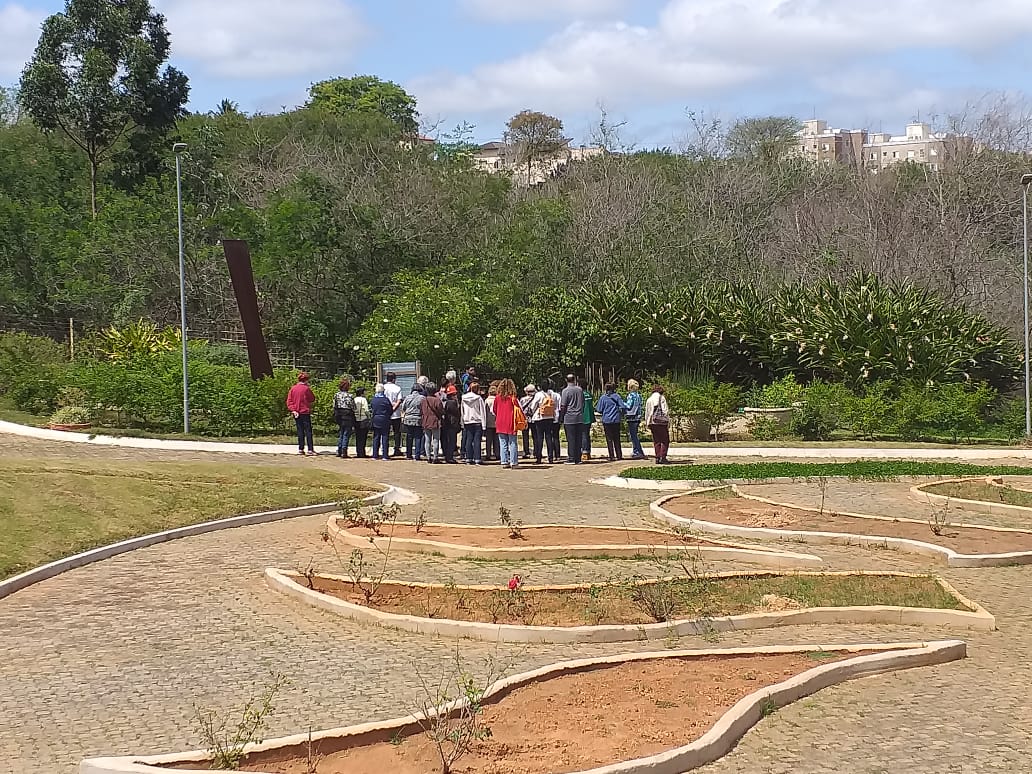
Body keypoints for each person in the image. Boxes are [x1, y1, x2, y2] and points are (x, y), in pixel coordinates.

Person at [493, 378, 522, 469]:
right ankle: (513, 462)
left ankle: (504, 461)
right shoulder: (513, 398)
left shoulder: (497, 398)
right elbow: (518, 410)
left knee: (503, 443)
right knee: (513, 442)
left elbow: (494, 410)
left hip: (500, 421)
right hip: (511, 421)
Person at [286, 372, 317, 456]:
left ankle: (301, 448)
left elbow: (289, 401)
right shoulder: (306, 389)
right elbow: (312, 398)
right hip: (305, 412)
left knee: (300, 431)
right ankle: (310, 449)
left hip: (296, 412)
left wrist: (293, 410)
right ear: (306, 380)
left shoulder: (293, 389)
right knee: (308, 431)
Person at [529, 381, 558, 463]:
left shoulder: (538, 394)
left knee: (539, 437)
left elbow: (533, 405)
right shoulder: (552, 394)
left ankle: (539, 457)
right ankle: (550, 457)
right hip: (550, 417)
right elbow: (555, 405)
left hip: (540, 417)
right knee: (549, 437)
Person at [559, 374, 585, 464]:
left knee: (571, 439)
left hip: (569, 417)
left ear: (566, 380)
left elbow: (563, 405)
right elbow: (583, 402)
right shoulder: (580, 390)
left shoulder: (565, 391)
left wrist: (561, 417)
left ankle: (571, 458)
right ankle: (578, 458)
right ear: (574, 379)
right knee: (578, 438)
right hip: (579, 417)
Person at [644, 384, 672, 464]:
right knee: (665, 440)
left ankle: (657, 457)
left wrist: (647, 422)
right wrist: (668, 420)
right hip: (661, 422)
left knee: (656, 440)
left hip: (652, 422)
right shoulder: (661, 398)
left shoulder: (649, 399)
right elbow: (665, 411)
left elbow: (647, 412)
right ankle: (663, 457)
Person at [596, 383, 625, 461]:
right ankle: (619, 455)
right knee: (617, 438)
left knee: (609, 439)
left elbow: (599, 409)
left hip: (607, 420)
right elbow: (623, 406)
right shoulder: (617, 396)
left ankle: (611, 456)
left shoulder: (603, 398)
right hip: (616, 420)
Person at [460, 381, 487, 464]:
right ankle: (477, 458)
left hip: (467, 421)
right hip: (477, 421)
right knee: (477, 440)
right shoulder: (479, 398)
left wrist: (462, 421)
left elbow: (462, 410)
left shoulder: (463, 398)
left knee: (469, 440)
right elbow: (482, 411)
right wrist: (484, 425)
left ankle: (469, 458)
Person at [420, 382, 444, 463]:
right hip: (435, 421)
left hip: (426, 421)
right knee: (436, 440)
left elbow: (421, 411)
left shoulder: (423, 400)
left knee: (427, 440)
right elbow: (441, 411)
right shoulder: (437, 400)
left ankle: (428, 457)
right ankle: (435, 457)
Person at [332, 378, 356, 458]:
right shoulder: (350, 396)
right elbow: (353, 407)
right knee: (346, 433)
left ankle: (339, 450)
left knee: (341, 432)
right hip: (348, 415)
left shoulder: (336, 395)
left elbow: (334, 405)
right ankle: (344, 450)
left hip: (339, 415)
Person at [622, 379, 646, 459]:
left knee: (633, 436)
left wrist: (621, 403)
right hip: (637, 416)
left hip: (631, 417)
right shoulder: (638, 395)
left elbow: (628, 406)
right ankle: (636, 451)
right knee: (635, 434)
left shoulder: (631, 395)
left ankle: (638, 451)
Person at [401, 384, 426, 460]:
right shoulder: (422, 398)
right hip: (418, 419)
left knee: (409, 436)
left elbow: (403, 407)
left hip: (408, 419)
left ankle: (409, 455)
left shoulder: (407, 397)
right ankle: (417, 455)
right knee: (418, 437)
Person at [370, 383, 394, 460]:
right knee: (385, 437)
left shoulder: (373, 400)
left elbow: (371, 409)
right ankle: (385, 455)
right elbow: (390, 410)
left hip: (376, 419)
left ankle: (375, 455)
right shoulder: (385, 400)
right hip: (385, 419)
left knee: (376, 437)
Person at [382, 371, 404, 458]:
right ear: (394, 379)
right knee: (397, 432)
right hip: (396, 414)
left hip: (385, 413)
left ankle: (385, 450)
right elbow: (399, 400)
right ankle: (397, 449)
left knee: (385, 432)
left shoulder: (383, 388)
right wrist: (393, 409)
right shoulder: (397, 388)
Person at [441, 385, 462, 463]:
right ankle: (449, 457)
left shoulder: (446, 402)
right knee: (452, 441)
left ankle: (448, 456)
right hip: (452, 423)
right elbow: (456, 412)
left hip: (448, 423)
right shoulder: (452, 403)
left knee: (449, 440)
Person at [353, 386, 371, 458]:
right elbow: (366, 410)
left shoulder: (354, 399)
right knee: (363, 437)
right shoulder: (363, 400)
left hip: (356, 419)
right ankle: (362, 452)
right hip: (363, 419)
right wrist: (369, 417)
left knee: (358, 437)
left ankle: (358, 452)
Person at [580, 378, 595, 461]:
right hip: (589, 417)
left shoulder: (580, 394)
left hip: (583, 417)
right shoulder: (589, 394)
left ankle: (584, 452)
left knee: (583, 435)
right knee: (586, 435)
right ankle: (588, 452)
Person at [484, 382, 499, 462]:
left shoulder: (486, 400)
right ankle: (497, 454)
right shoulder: (497, 400)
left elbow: (485, 411)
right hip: (496, 421)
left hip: (488, 422)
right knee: (496, 440)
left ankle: (488, 454)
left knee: (488, 440)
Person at [519, 384, 536, 459]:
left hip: (525, 419)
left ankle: (526, 452)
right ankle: (536, 452)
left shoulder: (523, 399)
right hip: (534, 419)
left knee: (525, 436)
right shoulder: (536, 399)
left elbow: (520, 409)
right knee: (535, 436)